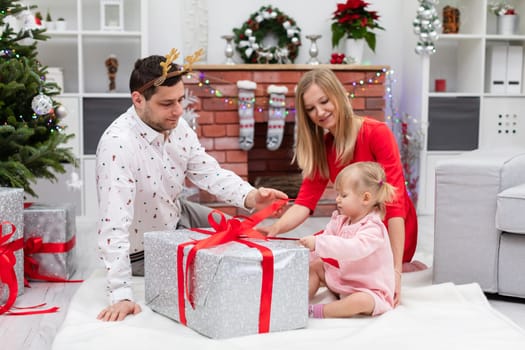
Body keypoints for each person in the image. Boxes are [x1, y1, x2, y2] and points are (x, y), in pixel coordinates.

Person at [95, 48, 288, 322]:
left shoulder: (177, 127)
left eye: (180, 100)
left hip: (177, 214)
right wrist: (122, 295)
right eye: (166, 104)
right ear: (138, 99)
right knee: (220, 263)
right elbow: (113, 226)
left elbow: (208, 172)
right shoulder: (119, 145)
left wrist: (252, 196)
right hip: (145, 250)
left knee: (237, 232)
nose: (178, 111)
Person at [257, 67, 423, 306]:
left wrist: (395, 272)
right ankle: (284, 302)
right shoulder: (324, 147)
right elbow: (304, 202)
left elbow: (395, 205)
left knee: (323, 250)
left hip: (388, 229)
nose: (320, 112)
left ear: (338, 95)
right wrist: (275, 228)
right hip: (354, 228)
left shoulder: (376, 133)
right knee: (308, 249)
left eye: (324, 101)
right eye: (311, 109)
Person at [300, 161, 396, 318]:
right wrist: (307, 252)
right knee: (316, 266)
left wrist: (319, 243)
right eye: (338, 194)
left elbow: (352, 248)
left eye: (343, 195)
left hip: (369, 290)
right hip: (346, 280)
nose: (337, 199)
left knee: (360, 301)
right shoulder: (341, 220)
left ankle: (319, 311)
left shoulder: (373, 228)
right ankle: (298, 301)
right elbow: (325, 239)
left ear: (365, 198)